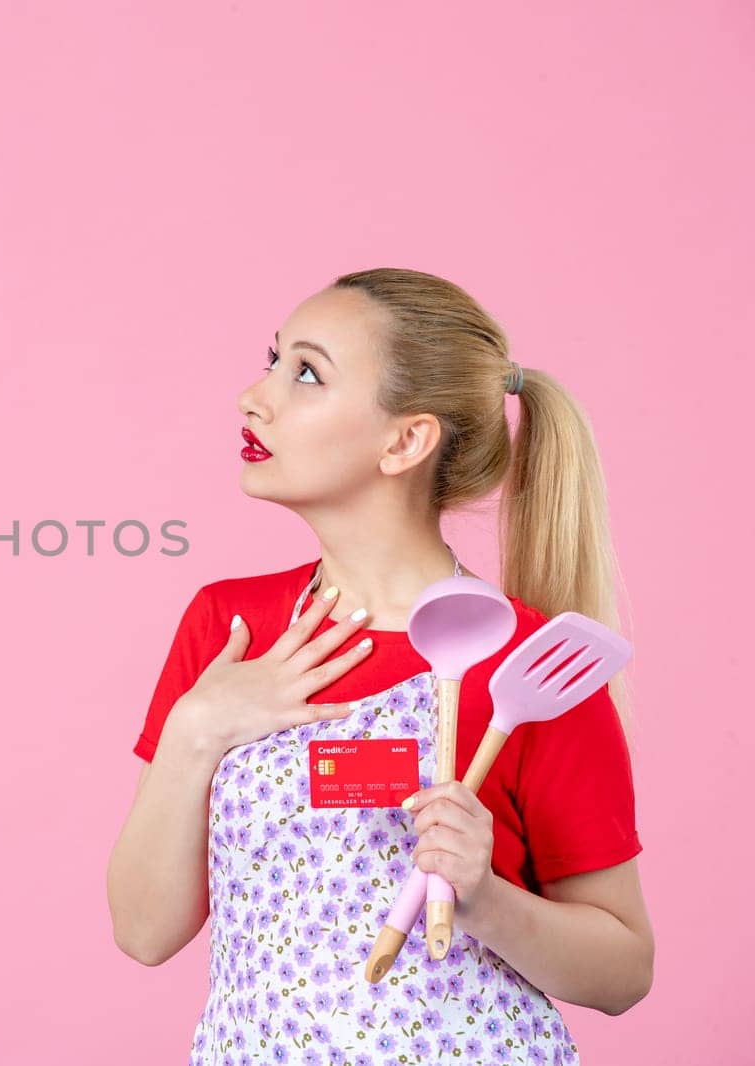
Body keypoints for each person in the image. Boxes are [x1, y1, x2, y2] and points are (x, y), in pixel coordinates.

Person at [105, 268, 654, 1065]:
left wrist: (485, 898)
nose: (253, 397)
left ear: (405, 440)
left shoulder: (528, 666)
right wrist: (200, 725)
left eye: (305, 372)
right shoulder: (230, 630)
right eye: (273, 359)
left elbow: (624, 971)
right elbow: (144, 933)